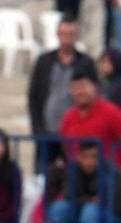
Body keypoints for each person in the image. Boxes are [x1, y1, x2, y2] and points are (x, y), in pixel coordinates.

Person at [27, 15, 97, 172]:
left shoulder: (86, 63)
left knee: (73, 179)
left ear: (77, 36)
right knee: (44, 177)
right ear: (57, 34)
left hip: (75, 135)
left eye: (71, 34)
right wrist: (37, 129)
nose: (67, 39)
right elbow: (34, 97)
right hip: (47, 132)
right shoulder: (44, 61)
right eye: (64, 34)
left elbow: (94, 96)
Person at [60, 65, 121, 173]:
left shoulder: (111, 112)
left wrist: (119, 168)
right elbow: (66, 149)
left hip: (107, 177)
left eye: (83, 86)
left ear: (95, 86)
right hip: (78, 178)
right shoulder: (68, 117)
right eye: (74, 88)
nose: (79, 92)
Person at [46, 140, 121, 223]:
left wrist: (88, 203)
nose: (89, 161)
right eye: (85, 156)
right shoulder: (73, 170)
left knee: (91, 212)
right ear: (78, 156)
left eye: (94, 157)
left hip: (111, 221)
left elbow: (114, 205)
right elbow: (69, 196)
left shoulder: (112, 172)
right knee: (59, 207)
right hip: (80, 217)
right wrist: (90, 200)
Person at [97, 48, 121, 113]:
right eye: (103, 61)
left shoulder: (120, 85)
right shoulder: (100, 82)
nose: (104, 65)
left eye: (108, 62)